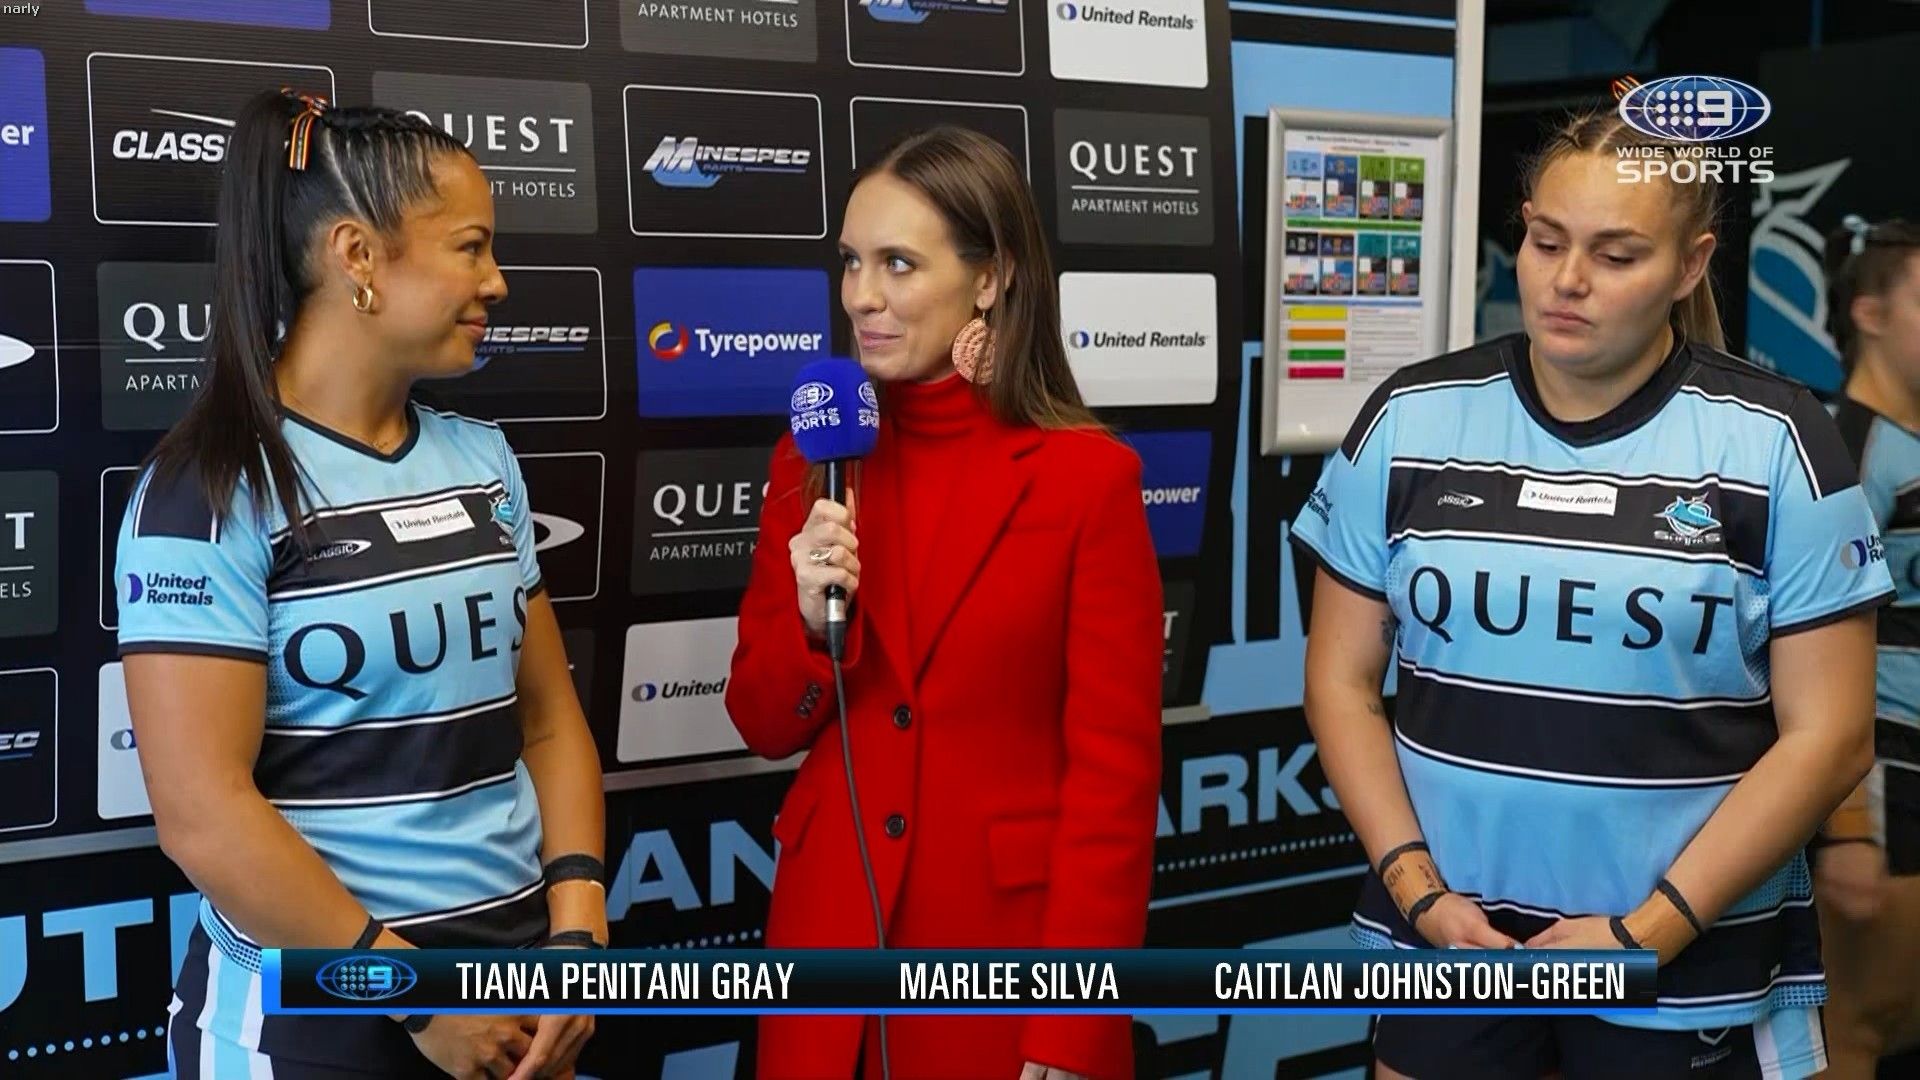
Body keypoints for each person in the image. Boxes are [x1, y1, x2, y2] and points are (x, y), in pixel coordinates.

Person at [1293, 108, 1894, 1079]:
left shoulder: (1776, 442)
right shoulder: (1411, 418)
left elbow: (1831, 736)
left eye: (1616, 256)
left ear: (1691, 266)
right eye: (1546, 242)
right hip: (1450, 948)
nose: (1567, 280)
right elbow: (1341, 681)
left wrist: (1650, 932)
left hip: (1682, 963)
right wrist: (1418, 893)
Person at [116, 89, 606, 1080]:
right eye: (470, 247)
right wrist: (409, 993)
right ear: (358, 257)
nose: (498, 281)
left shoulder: (482, 460)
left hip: (518, 1008)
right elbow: (203, 813)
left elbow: (547, 720)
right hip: (313, 1030)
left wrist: (577, 931)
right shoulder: (211, 489)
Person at [725, 126, 1164, 1080]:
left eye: (898, 263)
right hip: (827, 949)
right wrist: (805, 621)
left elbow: (1115, 780)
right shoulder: (811, 457)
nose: (861, 295)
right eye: (851, 262)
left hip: (1000, 965)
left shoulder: (1086, 480)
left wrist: (1074, 1019)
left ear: (991, 277)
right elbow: (762, 721)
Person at [1816, 214, 1920, 1078]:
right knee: (1854, 1031)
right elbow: (1811, 641)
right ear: (1871, 314)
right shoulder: (1849, 450)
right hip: (1887, 788)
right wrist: (1844, 828)